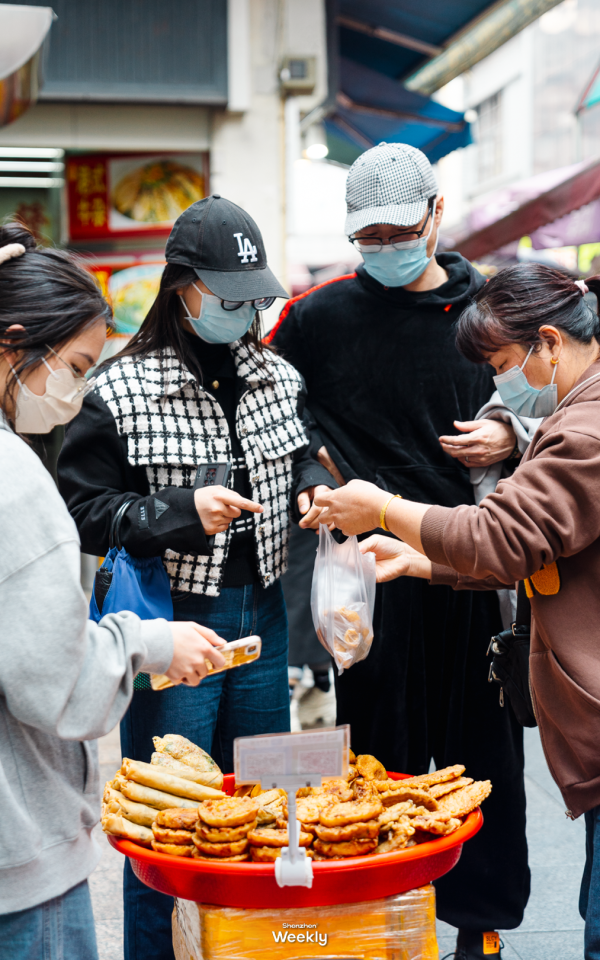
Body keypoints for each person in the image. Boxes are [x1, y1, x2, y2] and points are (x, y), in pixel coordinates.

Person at [57, 195, 335, 960]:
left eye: (253, 299)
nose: (242, 313)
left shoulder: (277, 376)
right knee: (171, 820)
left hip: (264, 617)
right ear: (181, 288)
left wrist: (311, 485)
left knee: (264, 804)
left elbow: (302, 451)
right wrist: (179, 512)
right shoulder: (118, 391)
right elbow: (82, 512)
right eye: (227, 296)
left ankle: (251, 945)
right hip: (171, 624)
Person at [271, 142, 530, 958]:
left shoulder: (493, 311)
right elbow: (280, 416)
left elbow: (558, 406)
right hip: (366, 575)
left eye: (398, 232)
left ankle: (480, 926)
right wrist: (308, 477)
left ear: (435, 214)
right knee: (377, 757)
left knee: (482, 756)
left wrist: (507, 430)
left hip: (470, 562)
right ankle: (385, 919)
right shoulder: (315, 317)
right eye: (368, 237)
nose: (383, 248)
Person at [312, 264, 600, 960]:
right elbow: (532, 544)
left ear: (550, 343)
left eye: (502, 367)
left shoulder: (584, 430)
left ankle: (481, 925)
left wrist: (384, 508)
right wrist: (424, 563)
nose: (503, 385)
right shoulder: (574, 411)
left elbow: (502, 535)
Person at [0, 222, 226, 960]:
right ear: (14, 343)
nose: (76, 392)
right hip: (20, 854)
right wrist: (148, 642)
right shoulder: (14, 480)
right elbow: (60, 684)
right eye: (74, 366)